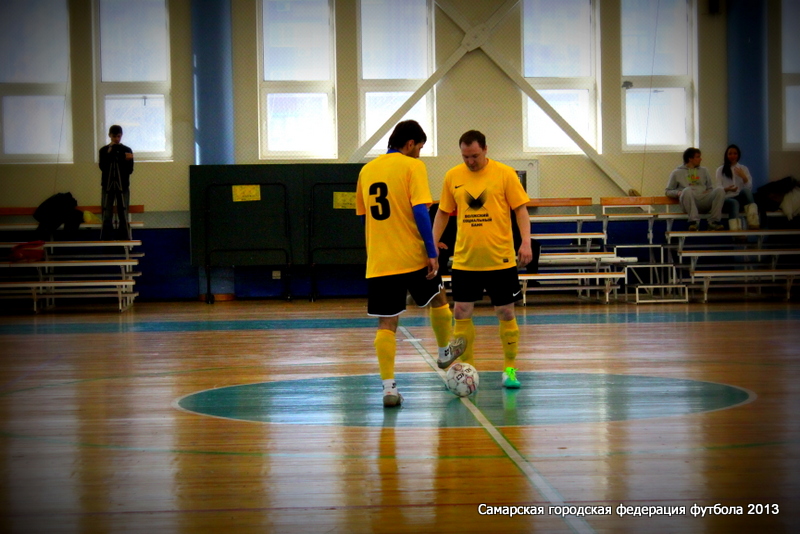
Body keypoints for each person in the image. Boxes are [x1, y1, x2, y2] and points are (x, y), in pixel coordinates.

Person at [355, 120, 454, 407]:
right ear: (410, 144)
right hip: (412, 255)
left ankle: (389, 389)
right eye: (419, 147)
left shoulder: (366, 170)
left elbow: (364, 217)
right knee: (439, 297)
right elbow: (420, 211)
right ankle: (444, 352)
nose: (420, 153)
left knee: (386, 323)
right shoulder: (413, 166)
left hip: (380, 260)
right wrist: (431, 250)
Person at [432, 130, 532, 388]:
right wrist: (432, 243)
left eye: (475, 156)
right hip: (466, 260)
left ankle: (510, 369)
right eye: (465, 156)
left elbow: (521, 210)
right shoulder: (452, 176)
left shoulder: (505, 174)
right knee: (461, 311)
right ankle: (468, 369)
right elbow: (443, 212)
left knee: (506, 311)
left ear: (485, 149)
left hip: (500, 259)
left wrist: (526, 242)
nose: (470, 161)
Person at [665, 147, 725, 231]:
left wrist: (708, 191)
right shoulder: (676, 172)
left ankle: (713, 222)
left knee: (720, 190)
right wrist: (678, 193)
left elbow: (710, 188)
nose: (701, 159)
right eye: (698, 157)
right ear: (690, 159)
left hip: (703, 200)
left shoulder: (704, 171)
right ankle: (694, 223)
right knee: (687, 190)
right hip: (688, 201)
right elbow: (668, 191)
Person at [99, 125, 134, 240]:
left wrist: (125, 160)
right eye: (114, 136)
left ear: (121, 135)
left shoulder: (127, 150)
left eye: (119, 136)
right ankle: (106, 240)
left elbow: (130, 170)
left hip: (123, 186)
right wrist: (109, 153)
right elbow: (102, 167)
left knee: (123, 213)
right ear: (109, 135)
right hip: (107, 186)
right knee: (107, 213)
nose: (117, 139)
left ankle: (123, 239)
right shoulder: (104, 150)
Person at [715, 144, 759, 230]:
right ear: (726, 155)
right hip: (726, 200)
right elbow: (718, 188)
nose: (732, 156)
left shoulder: (743, 168)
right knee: (734, 202)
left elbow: (749, 188)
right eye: (730, 154)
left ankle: (753, 221)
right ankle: (736, 231)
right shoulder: (720, 170)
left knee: (746, 191)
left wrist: (744, 177)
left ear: (738, 155)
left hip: (740, 198)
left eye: (735, 153)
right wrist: (727, 189)